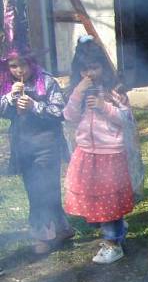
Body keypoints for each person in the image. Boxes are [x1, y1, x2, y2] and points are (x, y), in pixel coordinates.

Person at [62, 37, 135, 264]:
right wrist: (78, 92)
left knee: (109, 199)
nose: (90, 73)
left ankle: (113, 243)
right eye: (84, 69)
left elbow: (126, 120)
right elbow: (69, 116)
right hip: (86, 151)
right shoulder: (79, 92)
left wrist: (104, 107)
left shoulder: (115, 92)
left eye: (94, 67)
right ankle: (115, 229)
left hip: (110, 153)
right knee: (97, 199)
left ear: (103, 67)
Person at [0, 46, 72, 254]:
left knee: (44, 188)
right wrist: (10, 99)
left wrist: (34, 106)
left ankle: (44, 235)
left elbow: (60, 112)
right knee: (33, 188)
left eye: (22, 64)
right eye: (13, 66)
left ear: (31, 63)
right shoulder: (8, 84)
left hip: (47, 145)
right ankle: (60, 228)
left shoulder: (47, 81)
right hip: (22, 146)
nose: (18, 70)